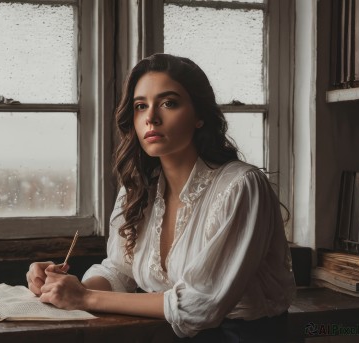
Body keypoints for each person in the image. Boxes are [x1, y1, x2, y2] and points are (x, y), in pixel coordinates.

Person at [26, 53, 296, 342]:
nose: (151, 118)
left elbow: (199, 306)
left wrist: (85, 298)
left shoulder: (241, 186)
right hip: (165, 334)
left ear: (200, 116)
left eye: (169, 103)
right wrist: (63, 286)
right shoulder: (140, 187)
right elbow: (120, 271)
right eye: (141, 106)